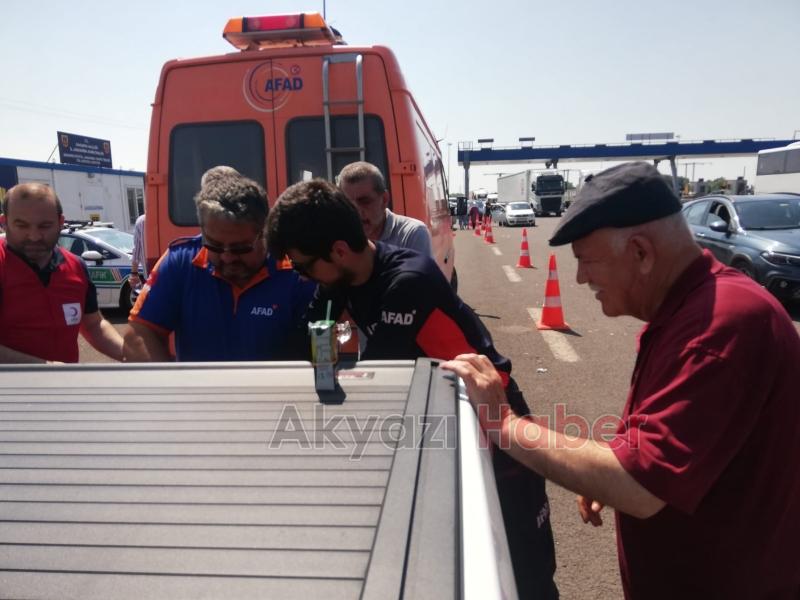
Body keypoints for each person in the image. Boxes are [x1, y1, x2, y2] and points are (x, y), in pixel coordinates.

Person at [443, 162, 800, 599]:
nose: (579, 278)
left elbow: (641, 485)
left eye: (586, 262)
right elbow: (671, 447)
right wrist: (605, 473)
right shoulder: (689, 309)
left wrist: (504, 423)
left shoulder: (717, 327)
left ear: (641, 252)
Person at [267, 178, 558, 600]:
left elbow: (379, 380)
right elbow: (307, 345)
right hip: (441, 422)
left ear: (339, 251)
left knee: (525, 574)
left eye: (303, 266)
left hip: (497, 426)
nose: (304, 276)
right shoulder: (339, 281)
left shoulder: (407, 281)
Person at [123, 167, 315, 362]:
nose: (227, 257)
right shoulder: (180, 262)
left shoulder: (294, 270)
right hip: (199, 391)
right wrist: (173, 388)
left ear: (265, 231)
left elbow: (319, 347)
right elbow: (139, 333)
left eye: (240, 248)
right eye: (214, 246)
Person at [0, 183, 124, 363]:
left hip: (65, 387)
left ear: (60, 222)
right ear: (4, 223)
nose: (34, 236)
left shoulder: (76, 266)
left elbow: (94, 324)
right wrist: (46, 369)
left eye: (44, 226)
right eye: (22, 226)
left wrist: (130, 354)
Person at [337, 161, 432, 256]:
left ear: (384, 199)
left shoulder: (412, 234)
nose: (356, 211)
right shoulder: (337, 236)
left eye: (365, 201)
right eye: (348, 203)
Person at [129, 213, 146, 299]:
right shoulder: (174, 216)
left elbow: (136, 250)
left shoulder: (141, 221)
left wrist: (134, 273)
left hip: (151, 276)